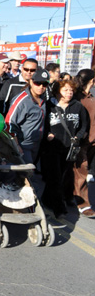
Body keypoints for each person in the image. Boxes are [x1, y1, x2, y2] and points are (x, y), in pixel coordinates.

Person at [41, 79, 87, 218]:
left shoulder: (78, 106)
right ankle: (59, 208)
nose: (69, 93)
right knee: (54, 177)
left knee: (63, 176)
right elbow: (42, 123)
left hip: (69, 149)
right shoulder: (50, 106)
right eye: (65, 90)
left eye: (71, 90)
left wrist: (78, 137)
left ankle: (48, 200)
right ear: (58, 91)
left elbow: (84, 125)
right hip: (52, 148)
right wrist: (47, 133)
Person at [4, 68, 49, 165]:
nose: (41, 87)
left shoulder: (44, 98)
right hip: (23, 145)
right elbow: (9, 123)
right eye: (38, 83)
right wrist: (16, 145)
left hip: (36, 144)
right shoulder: (22, 100)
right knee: (26, 174)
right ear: (31, 82)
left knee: (31, 173)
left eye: (44, 84)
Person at [72, 69, 95, 217]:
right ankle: (83, 204)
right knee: (81, 172)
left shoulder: (91, 96)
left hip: (93, 141)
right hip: (82, 141)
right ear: (92, 81)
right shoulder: (78, 98)